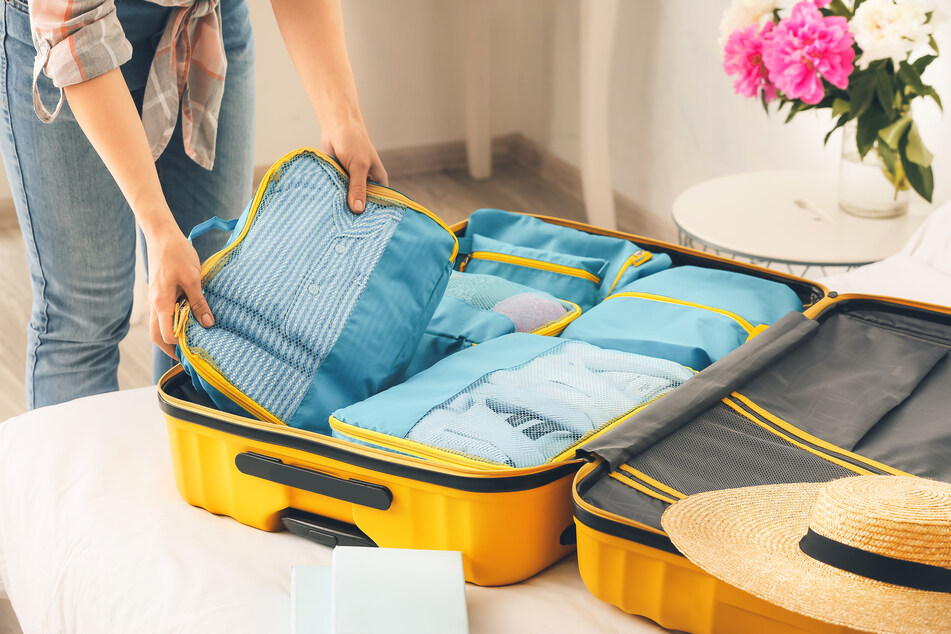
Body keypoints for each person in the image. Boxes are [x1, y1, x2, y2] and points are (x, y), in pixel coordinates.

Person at [0, 0, 387, 409]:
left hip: (206, 17)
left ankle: (181, 468)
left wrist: (342, 117)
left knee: (208, 300)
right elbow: (75, 26)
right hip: (69, 32)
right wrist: (159, 226)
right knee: (85, 319)